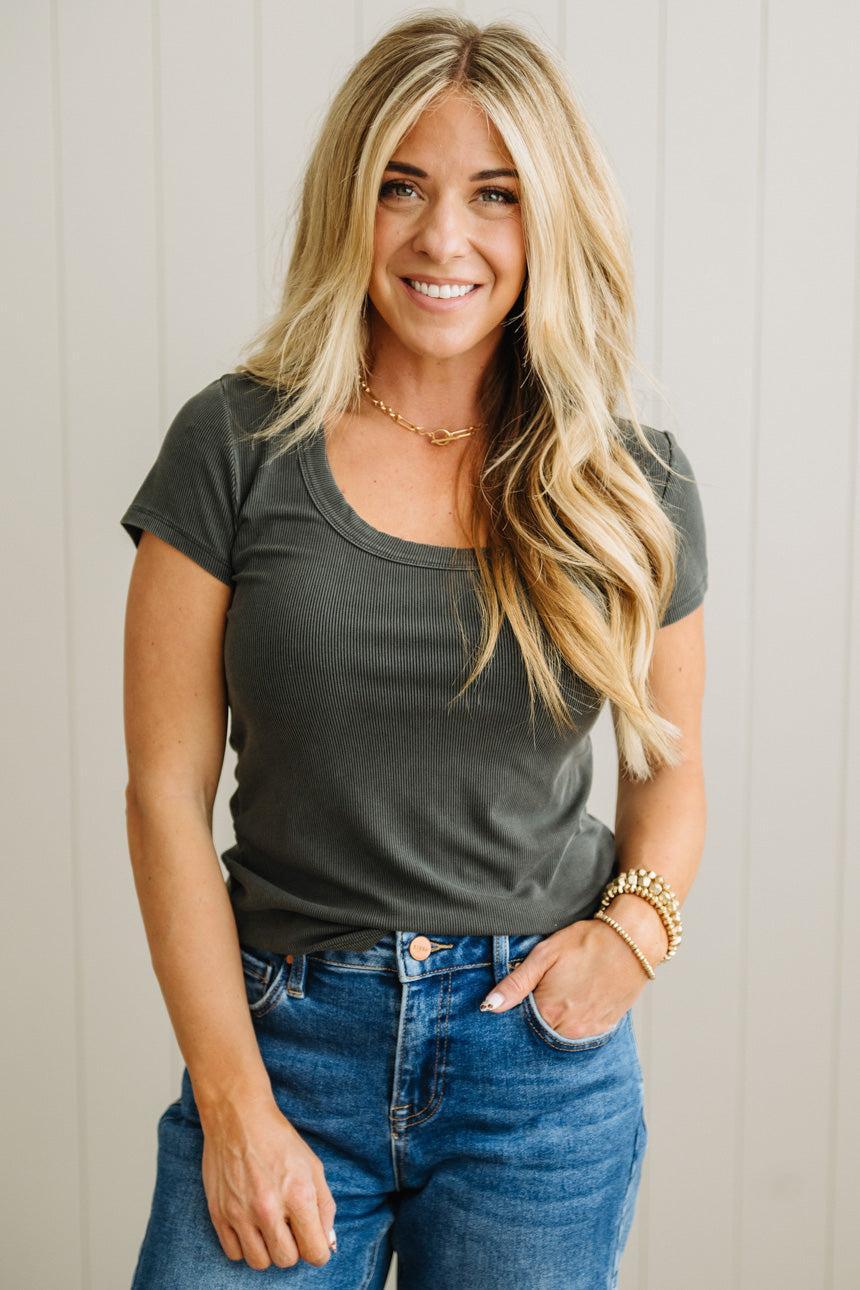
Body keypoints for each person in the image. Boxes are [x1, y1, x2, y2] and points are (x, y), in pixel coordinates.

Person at [120, 11, 708, 1289]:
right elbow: (165, 794)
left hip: (533, 1078)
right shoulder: (231, 448)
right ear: (350, 205)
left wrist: (628, 943)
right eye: (402, 187)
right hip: (286, 1048)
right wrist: (233, 1108)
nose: (444, 237)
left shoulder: (627, 478)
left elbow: (668, 770)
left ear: (546, 216)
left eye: (493, 194)